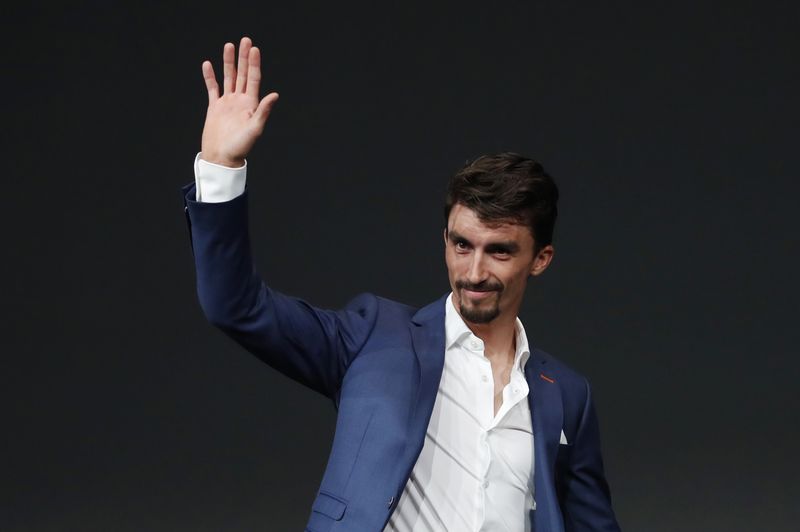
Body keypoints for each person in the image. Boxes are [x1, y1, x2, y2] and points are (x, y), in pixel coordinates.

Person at [182, 36, 621, 532]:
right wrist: (221, 167)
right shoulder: (374, 336)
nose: (474, 271)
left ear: (540, 259)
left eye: (499, 250)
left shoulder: (565, 394)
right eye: (461, 245)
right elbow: (234, 306)